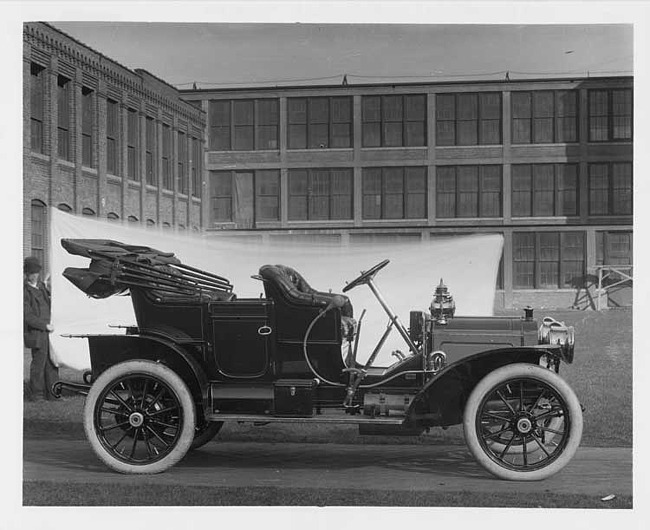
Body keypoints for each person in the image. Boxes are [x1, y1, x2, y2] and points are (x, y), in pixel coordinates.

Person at [23, 256, 58, 401]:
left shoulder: (42, 286)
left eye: (36, 272)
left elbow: (50, 301)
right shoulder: (24, 291)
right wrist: (45, 325)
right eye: (32, 273)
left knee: (52, 363)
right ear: (26, 274)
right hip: (37, 333)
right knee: (38, 364)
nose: (34, 275)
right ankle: (37, 395)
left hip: (49, 331)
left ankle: (54, 394)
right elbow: (28, 317)